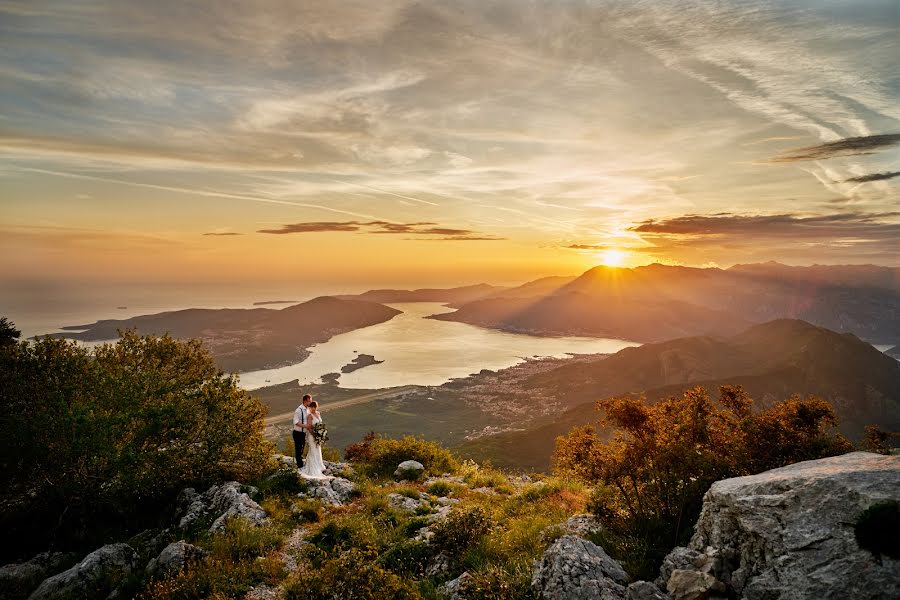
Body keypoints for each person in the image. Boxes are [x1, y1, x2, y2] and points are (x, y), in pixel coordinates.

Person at [299, 401, 330, 479]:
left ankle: (319, 466)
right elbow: (309, 427)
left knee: (317, 449)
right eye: (312, 407)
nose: (313, 408)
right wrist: (315, 435)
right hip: (312, 436)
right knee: (313, 450)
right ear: (310, 407)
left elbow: (320, 424)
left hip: (318, 435)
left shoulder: (318, 413)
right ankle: (312, 468)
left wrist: (321, 433)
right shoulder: (309, 416)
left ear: (317, 407)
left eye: (315, 407)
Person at [292, 394, 311, 470]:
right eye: (310, 400)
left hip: (303, 433)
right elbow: (295, 422)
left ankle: (300, 464)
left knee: (302, 448)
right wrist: (305, 426)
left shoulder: (307, 410)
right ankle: (299, 466)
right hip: (297, 433)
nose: (311, 402)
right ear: (305, 401)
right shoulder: (298, 410)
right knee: (298, 449)